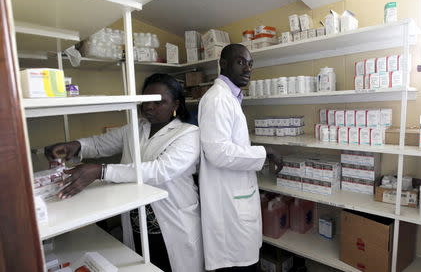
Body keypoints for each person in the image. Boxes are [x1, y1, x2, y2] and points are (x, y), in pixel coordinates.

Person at [45, 73, 204, 272]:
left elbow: (160, 170)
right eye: (145, 101)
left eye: (158, 102)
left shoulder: (188, 133)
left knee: (171, 264)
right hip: (137, 219)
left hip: (173, 219)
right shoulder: (136, 128)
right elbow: (100, 143)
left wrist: (101, 171)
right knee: (143, 263)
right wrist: (74, 146)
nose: (149, 107)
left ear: (176, 105)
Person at [198, 44, 283, 272]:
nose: (247, 69)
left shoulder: (230, 98)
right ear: (223, 64)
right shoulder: (218, 100)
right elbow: (219, 152)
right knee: (239, 266)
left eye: (250, 64)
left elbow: (230, 146)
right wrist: (266, 152)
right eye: (240, 62)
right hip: (229, 208)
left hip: (235, 196)